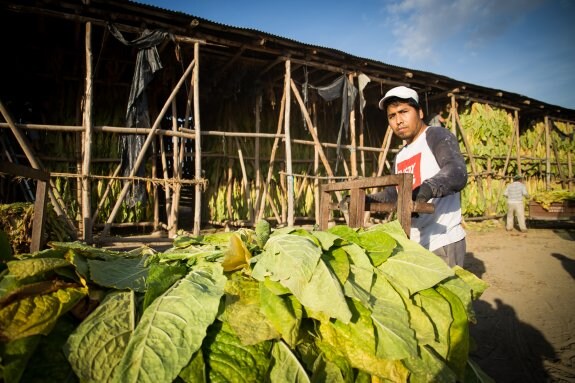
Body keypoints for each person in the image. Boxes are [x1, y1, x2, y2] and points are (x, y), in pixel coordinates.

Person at [368, 86, 468, 267]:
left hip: (441, 241)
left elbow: (456, 171)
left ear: (420, 112)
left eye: (404, 112)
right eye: (392, 116)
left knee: (444, 295)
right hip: (413, 243)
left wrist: (427, 189)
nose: (398, 121)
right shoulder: (400, 156)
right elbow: (393, 195)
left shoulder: (436, 136)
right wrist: (367, 200)